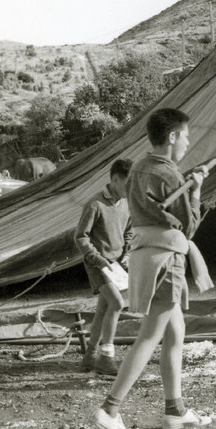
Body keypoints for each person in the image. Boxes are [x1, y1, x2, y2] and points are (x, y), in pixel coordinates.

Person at [93, 108, 213, 429]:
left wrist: (185, 185)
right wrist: (196, 190)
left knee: (175, 333)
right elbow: (187, 228)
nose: (188, 143)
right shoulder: (169, 175)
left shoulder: (138, 169)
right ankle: (110, 408)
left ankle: (175, 411)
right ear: (172, 136)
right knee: (150, 335)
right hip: (167, 259)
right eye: (186, 136)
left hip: (145, 256)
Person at [74, 158, 134, 375]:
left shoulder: (126, 204)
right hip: (98, 265)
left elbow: (128, 231)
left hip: (116, 266)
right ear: (116, 179)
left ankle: (89, 357)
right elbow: (80, 237)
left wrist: (126, 254)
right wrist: (96, 258)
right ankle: (106, 356)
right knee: (117, 304)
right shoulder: (95, 204)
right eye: (129, 183)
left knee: (103, 310)